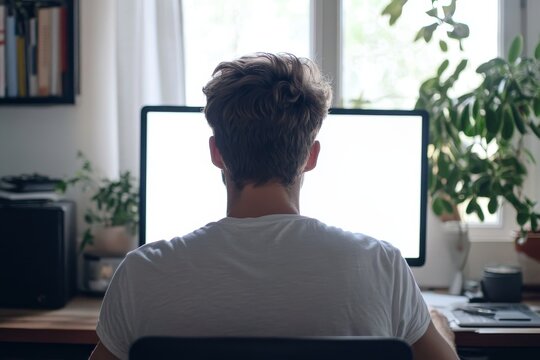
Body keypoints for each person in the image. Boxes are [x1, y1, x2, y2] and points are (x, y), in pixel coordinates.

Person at [90, 52, 458, 360]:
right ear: (311, 156)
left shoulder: (141, 273)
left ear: (216, 152)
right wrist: (436, 325)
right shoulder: (383, 266)